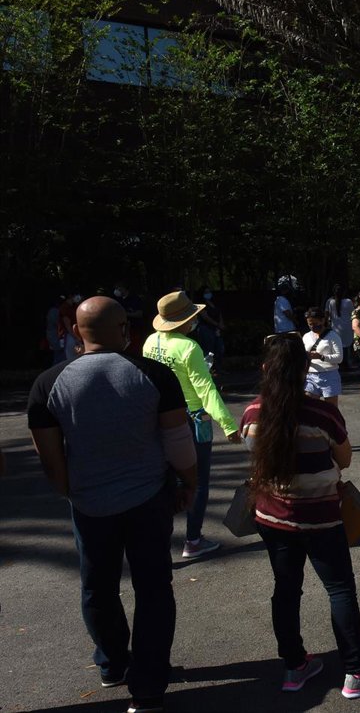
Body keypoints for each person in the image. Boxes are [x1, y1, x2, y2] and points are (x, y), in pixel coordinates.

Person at [28, 297, 197, 713]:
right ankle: (149, 687)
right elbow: (178, 442)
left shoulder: (48, 384)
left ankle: (112, 663)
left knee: (98, 587)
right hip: (148, 498)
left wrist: (72, 492)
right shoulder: (153, 375)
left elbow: (50, 459)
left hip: (89, 503)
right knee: (153, 589)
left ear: (76, 331)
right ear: (124, 329)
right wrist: (190, 482)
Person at [240, 333, 360, 699]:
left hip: (272, 517)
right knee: (339, 588)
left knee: (286, 589)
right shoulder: (322, 413)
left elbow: (255, 456)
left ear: (265, 369)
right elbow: (345, 458)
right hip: (320, 516)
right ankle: (357, 672)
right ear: (304, 370)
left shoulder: (252, 413)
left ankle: (294, 666)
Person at [143, 290, 242, 559]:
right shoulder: (189, 347)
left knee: (164, 481)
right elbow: (205, 389)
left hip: (160, 417)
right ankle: (193, 540)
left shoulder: (150, 341)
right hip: (192, 418)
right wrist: (228, 424)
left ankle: (160, 544)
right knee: (197, 482)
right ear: (185, 320)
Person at [303, 307, 344, 407]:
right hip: (311, 376)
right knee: (310, 407)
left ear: (322, 320)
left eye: (315, 323)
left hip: (329, 375)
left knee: (331, 408)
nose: (312, 326)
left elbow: (339, 358)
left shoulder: (333, 336)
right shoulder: (306, 336)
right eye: (310, 324)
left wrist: (321, 357)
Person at [193, 285, 225, 372]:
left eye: (209, 291)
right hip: (206, 328)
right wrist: (217, 325)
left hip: (216, 329)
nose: (208, 294)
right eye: (206, 292)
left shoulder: (213, 303)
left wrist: (220, 324)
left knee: (220, 349)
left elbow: (219, 314)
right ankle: (208, 370)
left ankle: (218, 369)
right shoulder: (201, 305)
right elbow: (205, 317)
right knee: (208, 350)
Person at [326, 284, 355, 370]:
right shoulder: (348, 301)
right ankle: (348, 364)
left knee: (338, 346)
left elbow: (327, 314)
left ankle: (339, 364)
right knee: (348, 346)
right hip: (347, 327)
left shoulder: (330, 301)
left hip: (336, 328)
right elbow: (353, 313)